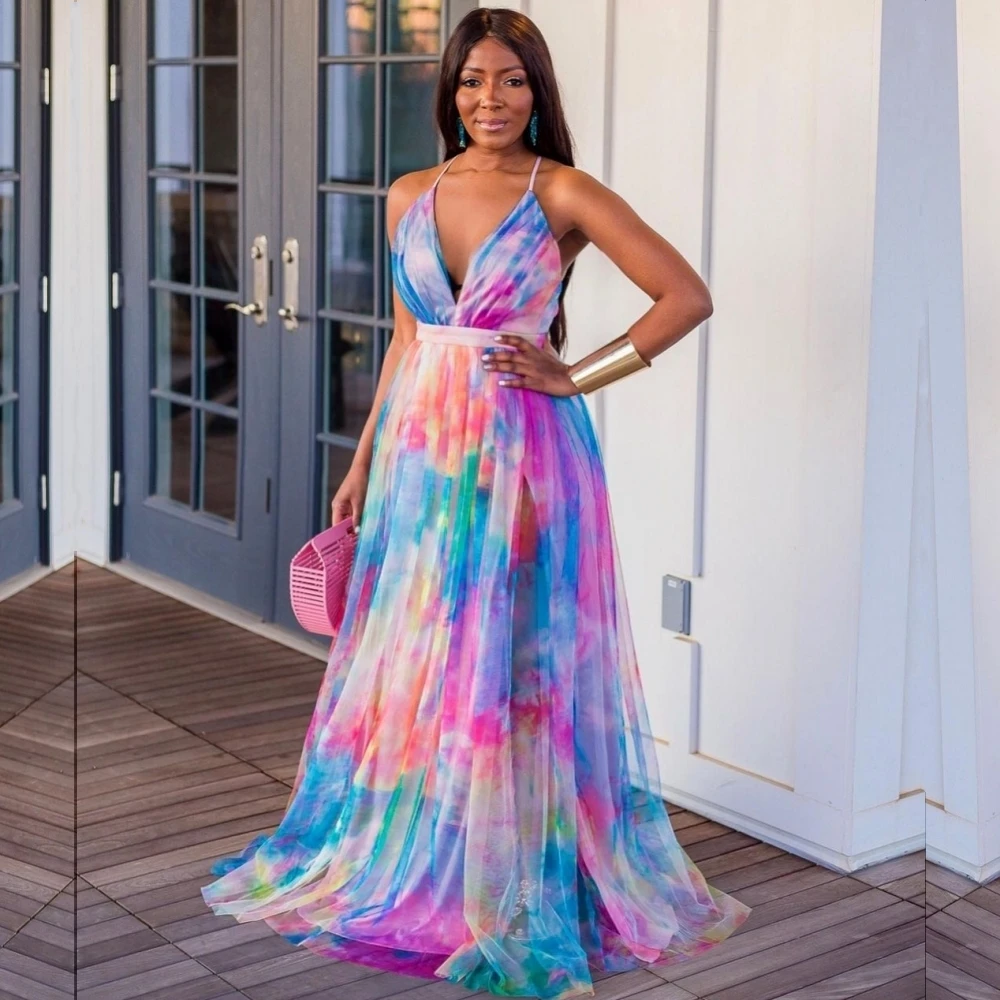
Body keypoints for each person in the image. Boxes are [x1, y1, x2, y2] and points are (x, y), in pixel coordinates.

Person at [201, 9, 751, 998]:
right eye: (470, 81)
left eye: (510, 80)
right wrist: (363, 459)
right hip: (421, 457)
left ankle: (516, 870)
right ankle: (430, 851)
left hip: (524, 453)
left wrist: (574, 375)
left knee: (515, 656)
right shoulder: (408, 192)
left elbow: (685, 295)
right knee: (422, 650)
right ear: (448, 91)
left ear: (537, 90)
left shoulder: (563, 191)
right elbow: (409, 343)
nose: (489, 99)